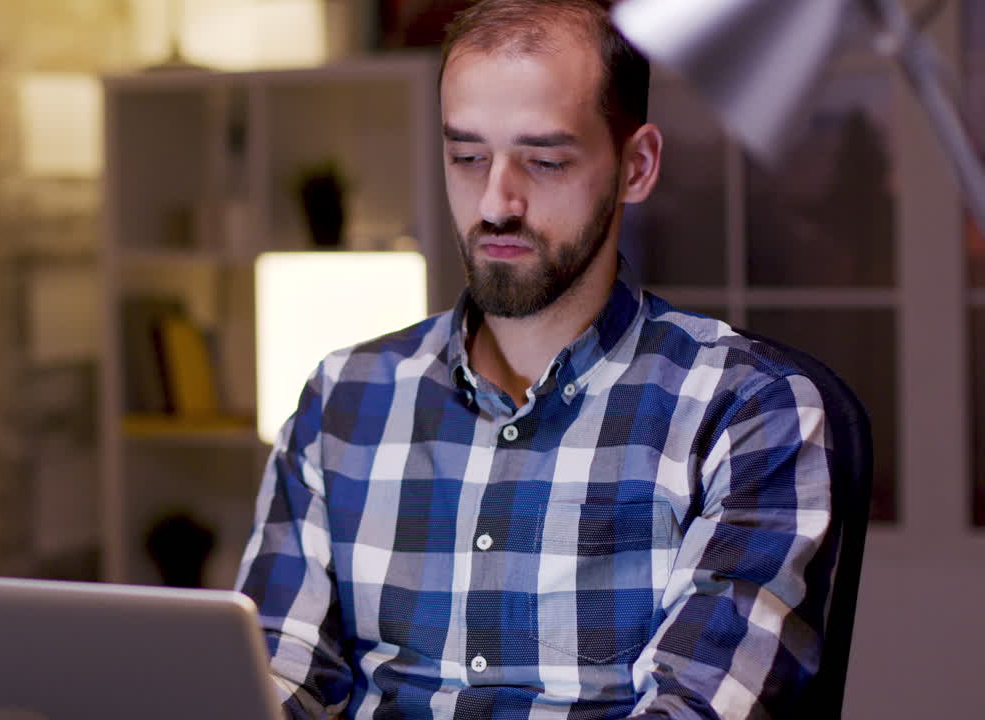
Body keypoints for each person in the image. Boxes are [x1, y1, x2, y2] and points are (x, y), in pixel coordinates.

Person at [236, 1, 835, 717]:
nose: (495, 203)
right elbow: (277, 679)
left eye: (545, 160)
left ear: (637, 166)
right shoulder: (342, 398)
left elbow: (698, 707)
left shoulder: (745, 409)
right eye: (467, 157)